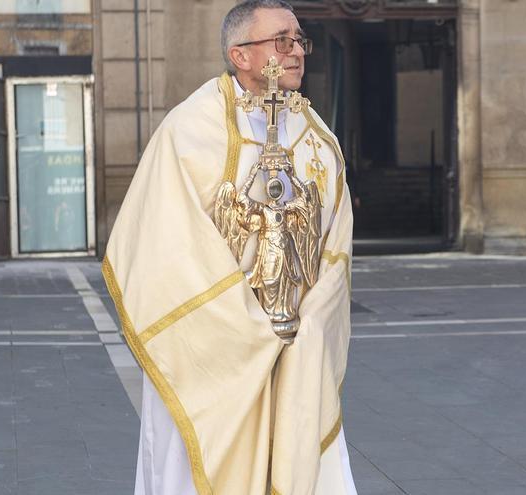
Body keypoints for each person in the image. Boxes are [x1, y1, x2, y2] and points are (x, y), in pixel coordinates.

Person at [102, 1, 357, 494]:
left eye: (299, 39)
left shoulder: (316, 137)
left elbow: (336, 243)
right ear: (240, 55)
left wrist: (312, 325)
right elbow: (163, 244)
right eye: (281, 40)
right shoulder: (189, 131)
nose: (296, 52)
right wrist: (245, 326)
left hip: (296, 345)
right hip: (214, 348)